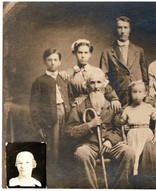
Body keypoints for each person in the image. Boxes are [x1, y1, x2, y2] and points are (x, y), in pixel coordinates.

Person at [66, 70, 135, 189]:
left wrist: (109, 141)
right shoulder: (79, 107)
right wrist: (89, 125)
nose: (96, 87)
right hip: (90, 144)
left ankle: (119, 187)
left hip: (110, 144)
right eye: (92, 83)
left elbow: (119, 129)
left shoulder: (112, 106)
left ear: (104, 85)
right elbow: (69, 131)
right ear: (87, 86)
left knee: (129, 152)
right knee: (81, 154)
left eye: (99, 82)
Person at [29, 48, 73, 187]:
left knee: (66, 144)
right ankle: (54, 181)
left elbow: (70, 96)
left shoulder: (63, 78)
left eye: (55, 60)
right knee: (54, 148)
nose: (53, 63)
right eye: (49, 60)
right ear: (44, 62)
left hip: (66, 115)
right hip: (50, 118)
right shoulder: (40, 81)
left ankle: (67, 178)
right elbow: (34, 106)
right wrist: (39, 125)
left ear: (60, 62)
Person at [59, 39, 121, 112]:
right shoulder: (68, 73)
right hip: (78, 108)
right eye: (80, 52)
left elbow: (107, 88)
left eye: (86, 52)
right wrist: (59, 74)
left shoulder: (97, 71)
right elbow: (67, 94)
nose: (83, 56)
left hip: (95, 105)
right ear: (75, 53)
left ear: (90, 54)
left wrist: (114, 99)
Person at [100, 16, 149, 106]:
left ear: (130, 29)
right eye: (120, 27)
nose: (123, 31)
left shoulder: (139, 51)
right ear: (115, 29)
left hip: (138, 100)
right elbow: (103, 79)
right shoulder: (107, 51)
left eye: (125, 27)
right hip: (118, 101)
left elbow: (145, 79)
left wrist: (144, 97)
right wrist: (113, 98)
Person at [121, 80, 156, 175]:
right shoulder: (128, 109)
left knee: (145, 155)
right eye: (134, 92)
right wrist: (124, 138)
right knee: (134, 155)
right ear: (130, 93)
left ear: (145, 94)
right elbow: (122, 124)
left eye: (140, 92)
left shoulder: (148, 107)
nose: (137, 95)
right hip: (133, 134)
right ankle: (134, 177)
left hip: (146, 134)